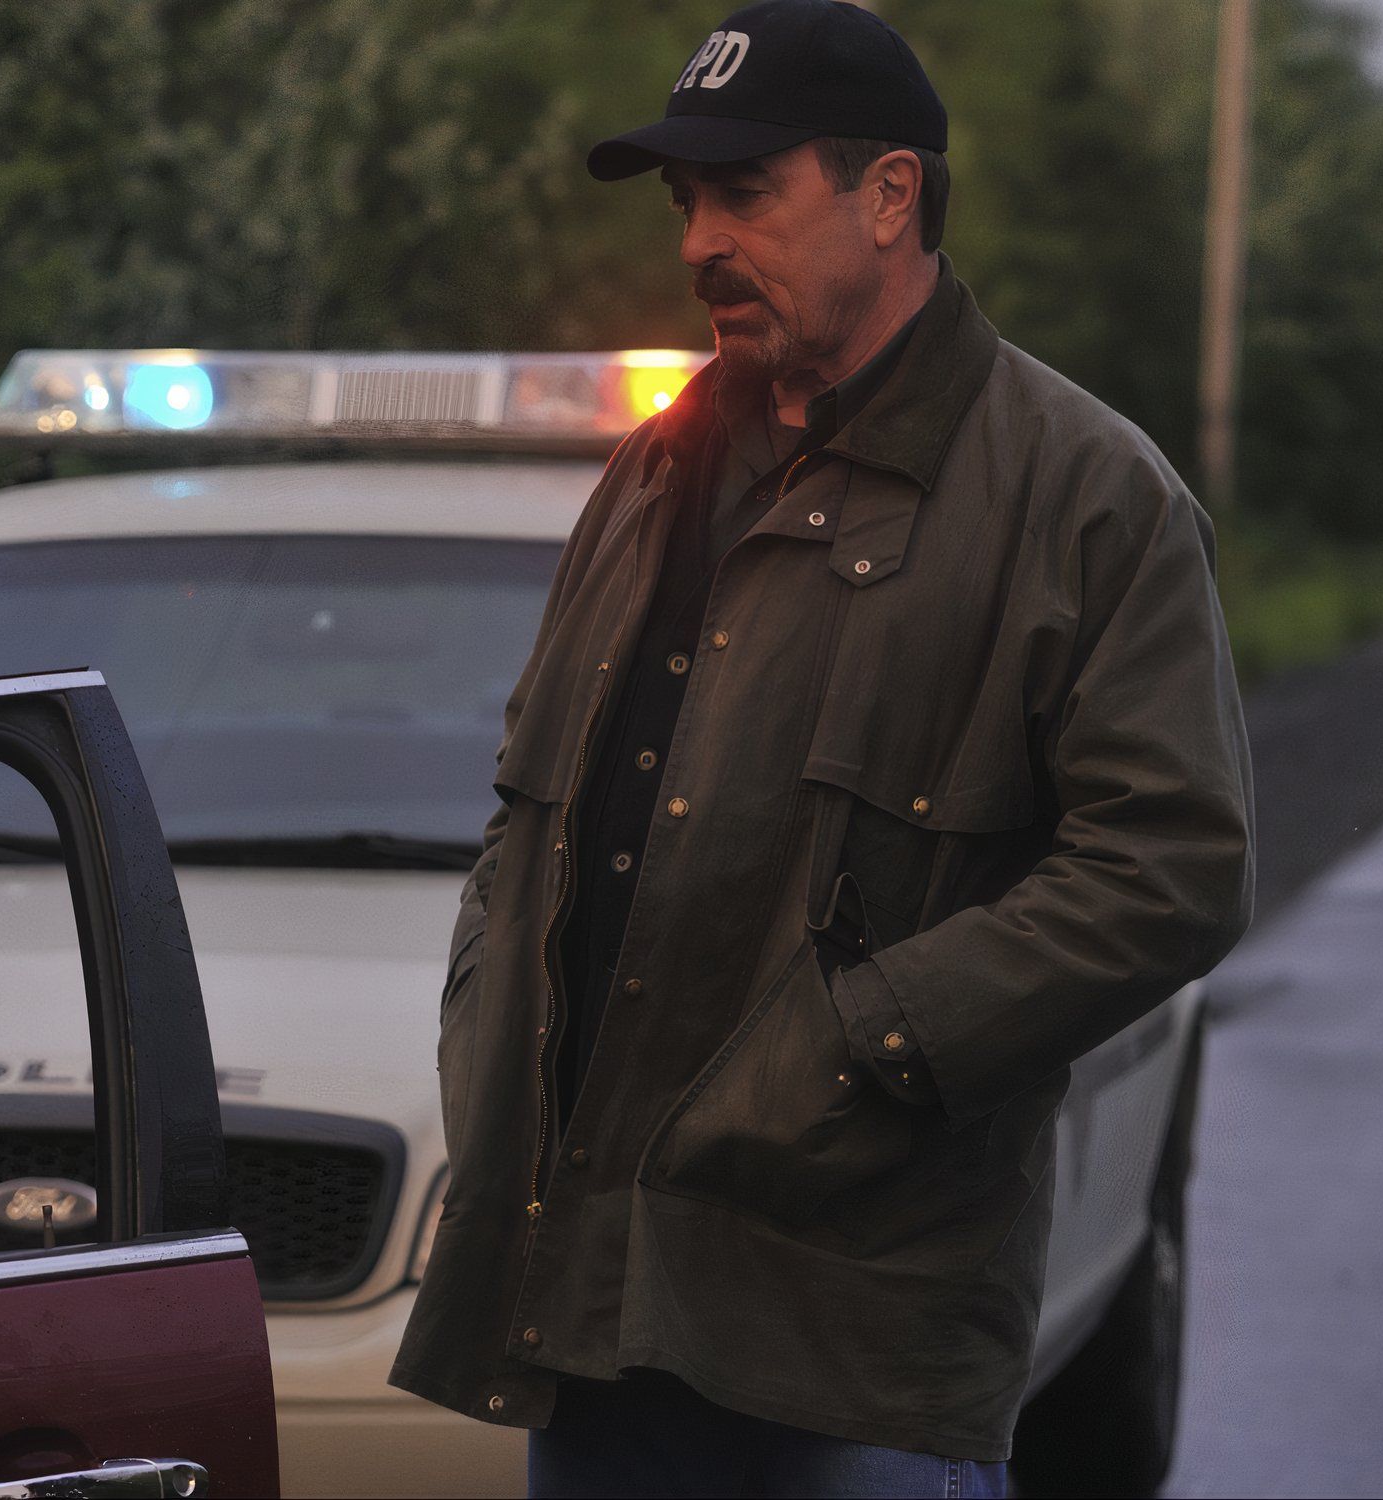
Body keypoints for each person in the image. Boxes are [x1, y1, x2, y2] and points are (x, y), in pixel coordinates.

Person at [388, 2, 1254, 1494]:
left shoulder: (1086, 495)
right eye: (684, 201)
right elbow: (532, 822)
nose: (698, 242)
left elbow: (1171, 869)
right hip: (597, 1313)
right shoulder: (656, 472)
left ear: (892, 193)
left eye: (745, 192)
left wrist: (859, 1050)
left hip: (856, 1341)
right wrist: (483, 1034)